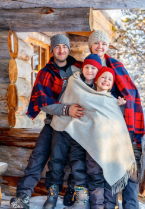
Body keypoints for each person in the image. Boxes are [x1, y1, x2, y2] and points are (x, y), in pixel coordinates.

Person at [10, 34, 84, 209]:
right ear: (52, 51)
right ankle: (23, 196)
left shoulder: (79, 68)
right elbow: (43, 103)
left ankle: (73, 190)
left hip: (75, 124)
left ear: (68, 49)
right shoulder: (45, 72)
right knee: (38, 155)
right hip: (52, 122)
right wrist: (66, 109)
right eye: (57, 47)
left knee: (77, 157)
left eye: (64, 47)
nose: (61, 50)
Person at [50, 59, 136, 209]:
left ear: (112, 85)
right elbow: (83, 117)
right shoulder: (87, 96)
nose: (106, 81)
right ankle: (97, 206)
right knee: (95, 179)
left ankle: (109, 206)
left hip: (111, 151)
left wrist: (122, 107)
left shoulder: (114, 102)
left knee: (110, 183)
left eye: (110, 79)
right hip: (93, 148)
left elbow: (117, 124)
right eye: (103, 77)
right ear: (97, 79)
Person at [88, 30, 145, 209]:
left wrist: (124, 103)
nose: (100, 47)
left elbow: (130, 91)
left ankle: (131, 205)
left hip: (120, 122)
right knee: (107, 165)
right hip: (99, 124)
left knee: (129, 165)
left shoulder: (116, 65)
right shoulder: (87, 66)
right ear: (90, 46)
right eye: (96, 43)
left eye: (103, 44)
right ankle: (109, 205)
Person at [43, 54, 103, 209]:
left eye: (94, 68)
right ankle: (52, 194)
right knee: (56, 159)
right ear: (82, 68)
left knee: (78, 161)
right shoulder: (73, 81)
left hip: (81, 130)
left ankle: (81, 195)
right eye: (87, 67)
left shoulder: (99, 88)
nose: (90, 70)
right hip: (62, 125)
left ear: (99, 71)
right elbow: (65, 101)